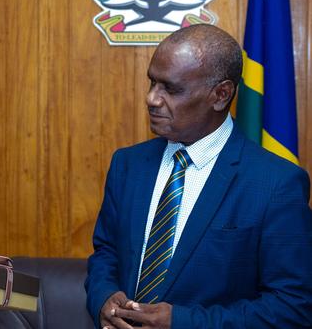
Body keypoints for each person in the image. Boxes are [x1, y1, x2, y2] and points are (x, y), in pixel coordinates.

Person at [85, 24, 312, 328]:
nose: (152, 99)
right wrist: (103, 296)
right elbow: (106, 253)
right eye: (152, 83)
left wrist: (183, 322)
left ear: (221, 95)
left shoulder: (276, 184)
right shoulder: (128, 165)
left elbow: (292, 307)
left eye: (171, 88)